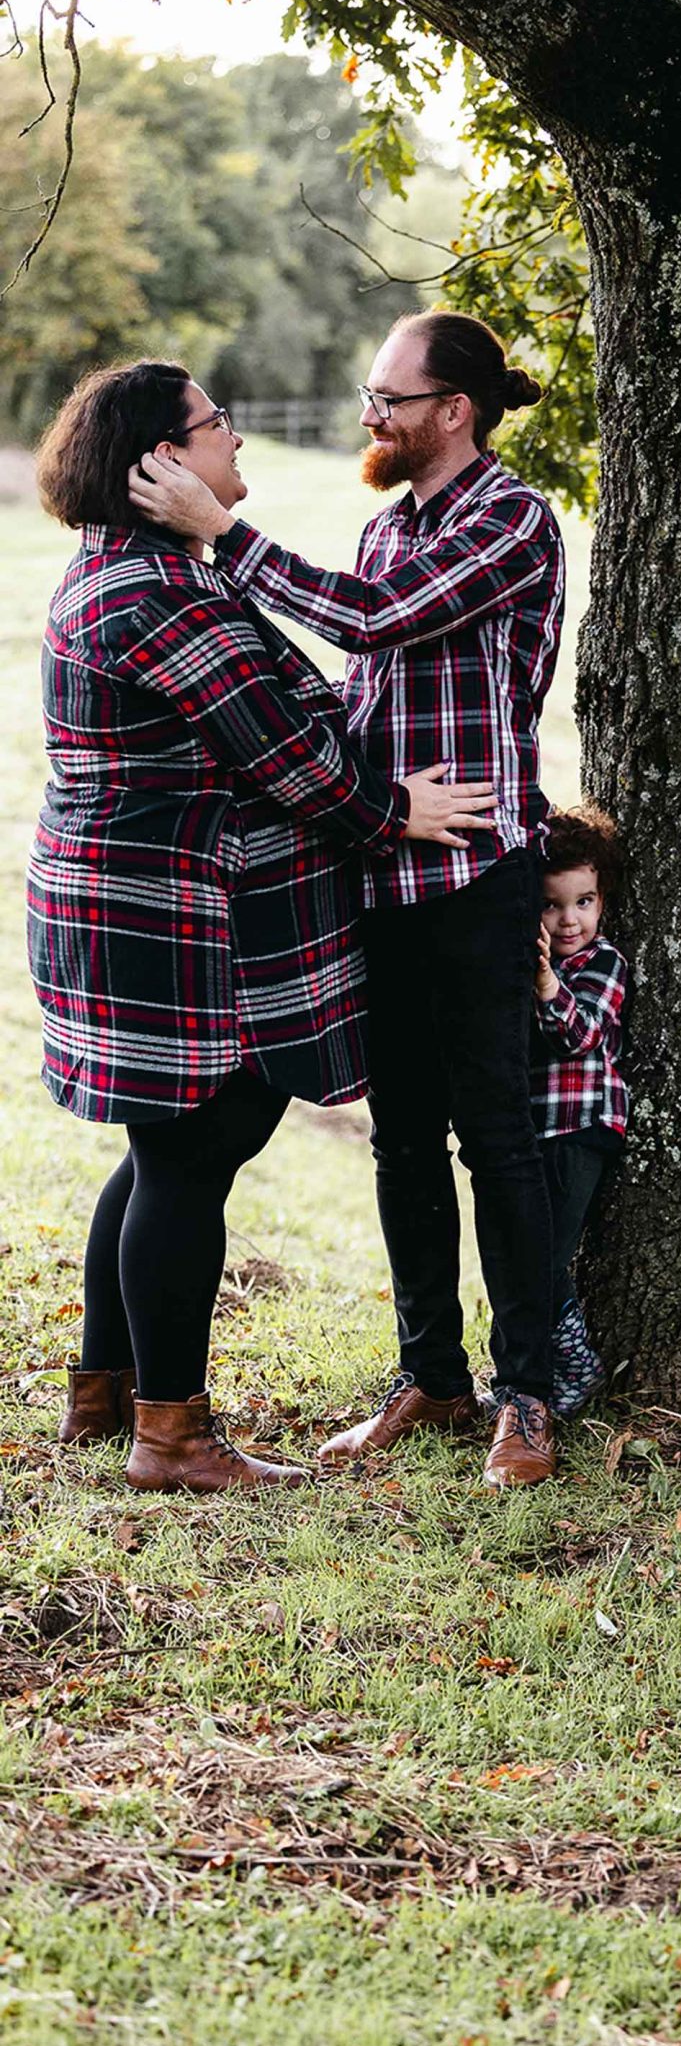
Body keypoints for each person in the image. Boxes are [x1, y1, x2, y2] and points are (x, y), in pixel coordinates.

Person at [29, 361, 492, 1494]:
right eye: (217, 421)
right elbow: (282, 753)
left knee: (171, 1146)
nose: (235, 437)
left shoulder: (136, 570)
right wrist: (396, 810)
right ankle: (170, 1435)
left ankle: (106, 1390)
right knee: (194, 1147)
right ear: (164, 458)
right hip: (167, 912)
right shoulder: (155, 595)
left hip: (137, 901)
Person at [130, 310, 566, 1490]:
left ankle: (526, 1394)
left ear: (453, 411)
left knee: (499, 1137)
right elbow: (365, 687)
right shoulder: (386, 527)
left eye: (389, 397)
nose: (369, 414)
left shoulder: (511, 518)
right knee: (403, 1135)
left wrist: (223, 532)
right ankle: (432, 1376)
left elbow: (377, 619)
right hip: (381, 873)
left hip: (475, 876)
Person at [532, 810, 629, 1420]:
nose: (570, 920)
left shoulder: (603, 962)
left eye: (584, 902)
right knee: (522, 1253)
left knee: (544, 1256)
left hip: (580, 1128)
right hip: (534, 1131)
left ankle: (575, 1364)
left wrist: (546, 983)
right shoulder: (526, 966)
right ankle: (530, 1373)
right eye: (552, 905)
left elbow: (581, 1034)